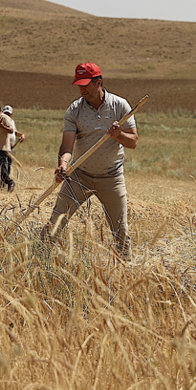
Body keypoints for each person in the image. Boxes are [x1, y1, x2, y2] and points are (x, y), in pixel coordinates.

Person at [44, 63, 138, 259]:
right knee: (55, 222)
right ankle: (38, 258)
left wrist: (118, 135)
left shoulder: (120, 105)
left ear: (99, 83)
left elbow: (133, 142)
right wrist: (63, 165)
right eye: (79, 85)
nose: (82, 90)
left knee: (121, 231)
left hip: (112, 178)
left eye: (86, 84)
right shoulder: (74, 110)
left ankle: (126, 270)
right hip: (80, 175)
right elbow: (67, 146)